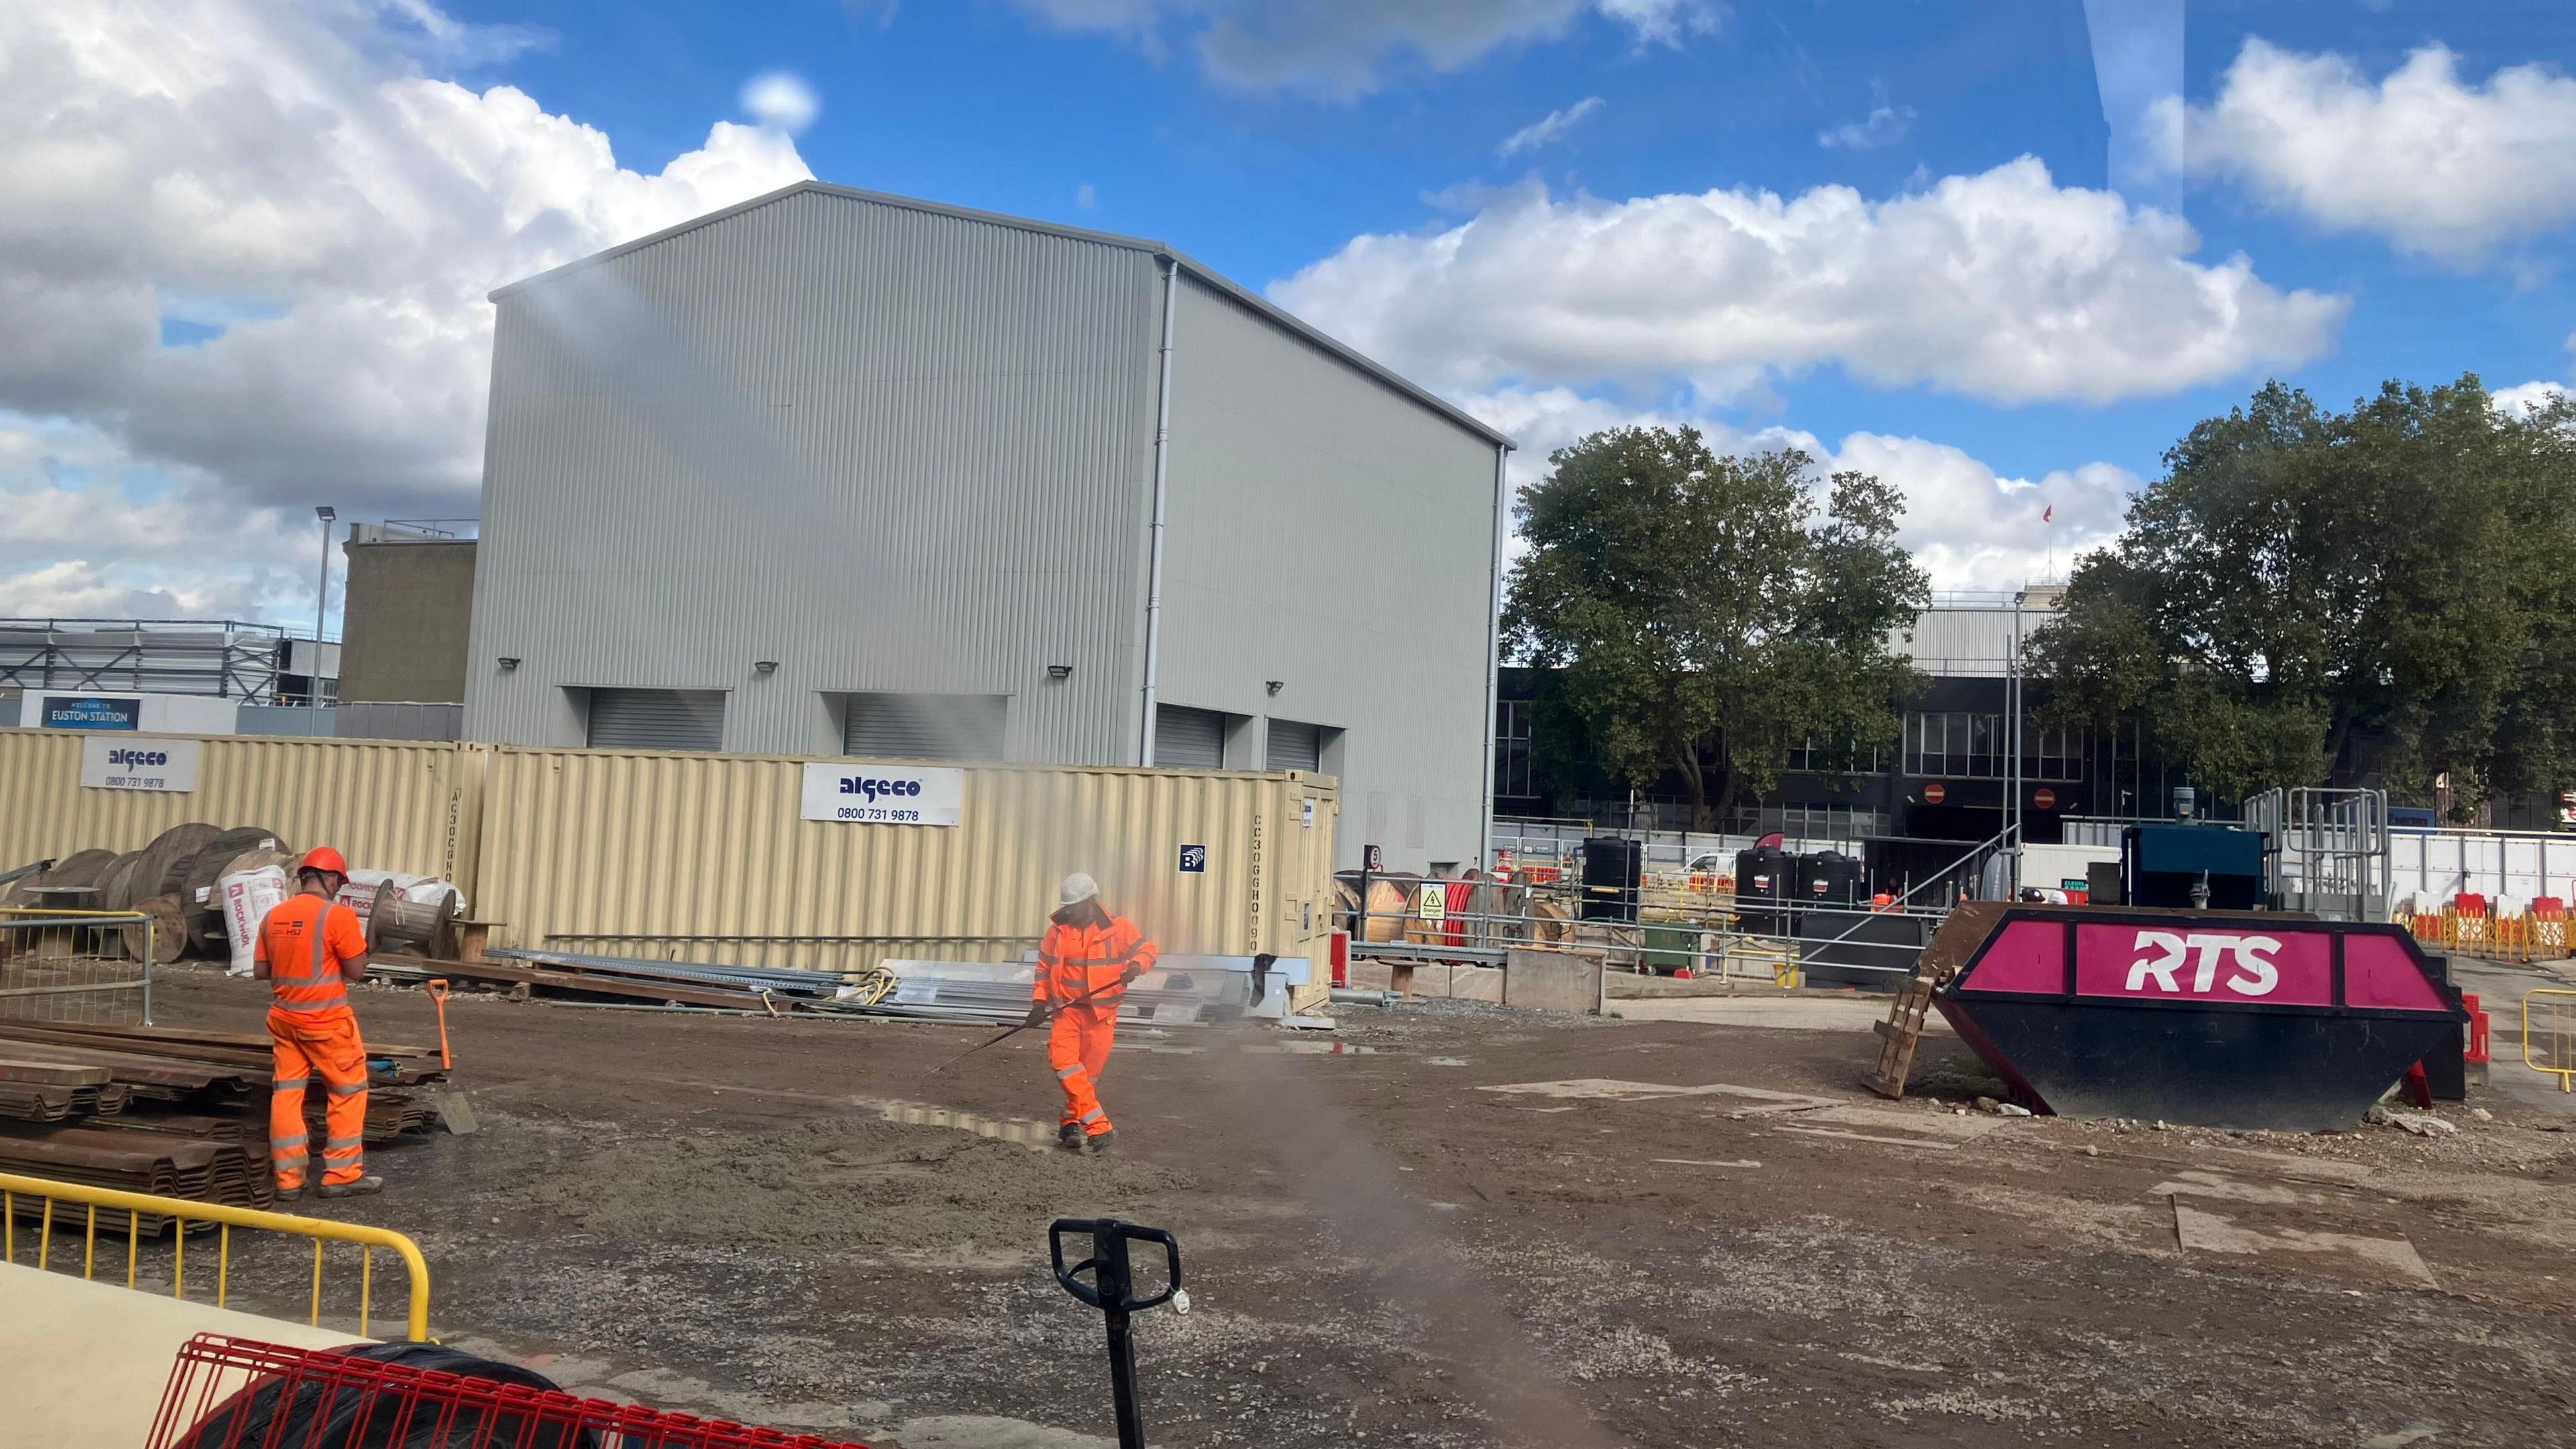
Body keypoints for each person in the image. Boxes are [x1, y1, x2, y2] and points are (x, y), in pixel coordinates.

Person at [254, 847, 380, 1201]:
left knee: (288, 1094)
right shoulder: (337, 916)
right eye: (338, 881)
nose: (338, 888)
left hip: (285, 1021)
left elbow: (261, 971)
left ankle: (288, 1180)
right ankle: (341, 1174)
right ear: (330, 879)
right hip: (326, 1024)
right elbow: (357, 972)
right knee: (348, 1092)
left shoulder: (273, 916)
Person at [1022, 873, 1157, 1155]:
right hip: (1066, 1013)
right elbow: (1044, 970)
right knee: (1065, 1066)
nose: (1069, 911)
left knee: (1086, 1079)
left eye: (1074, 906)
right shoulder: (1057, 932)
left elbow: (1147, 950)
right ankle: (1100, 1128)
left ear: (1091, 901)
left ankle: (1070, 1124)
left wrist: (1136, 967)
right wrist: (1038, 1004)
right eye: (1067, 906)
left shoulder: (1119, 928)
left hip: (1102, 1016)